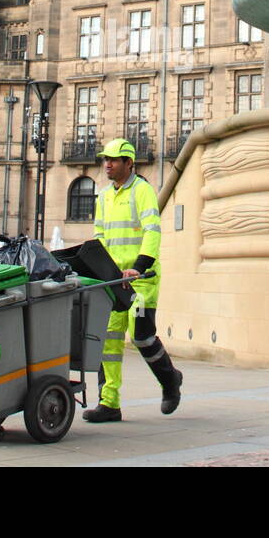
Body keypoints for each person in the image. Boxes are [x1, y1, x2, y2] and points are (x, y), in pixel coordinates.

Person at [82, 138, 182, 423]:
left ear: (129, 163)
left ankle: (170, 381)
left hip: (142, 280)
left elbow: (152, 231)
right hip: (114, 282)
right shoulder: (103, 196)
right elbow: (99, 238)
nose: (107, 164)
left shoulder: (142, 191)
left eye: (114, 160)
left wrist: (139, 267)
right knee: (109, 342)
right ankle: (109, 403)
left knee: (142, 335)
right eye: (105, 159)